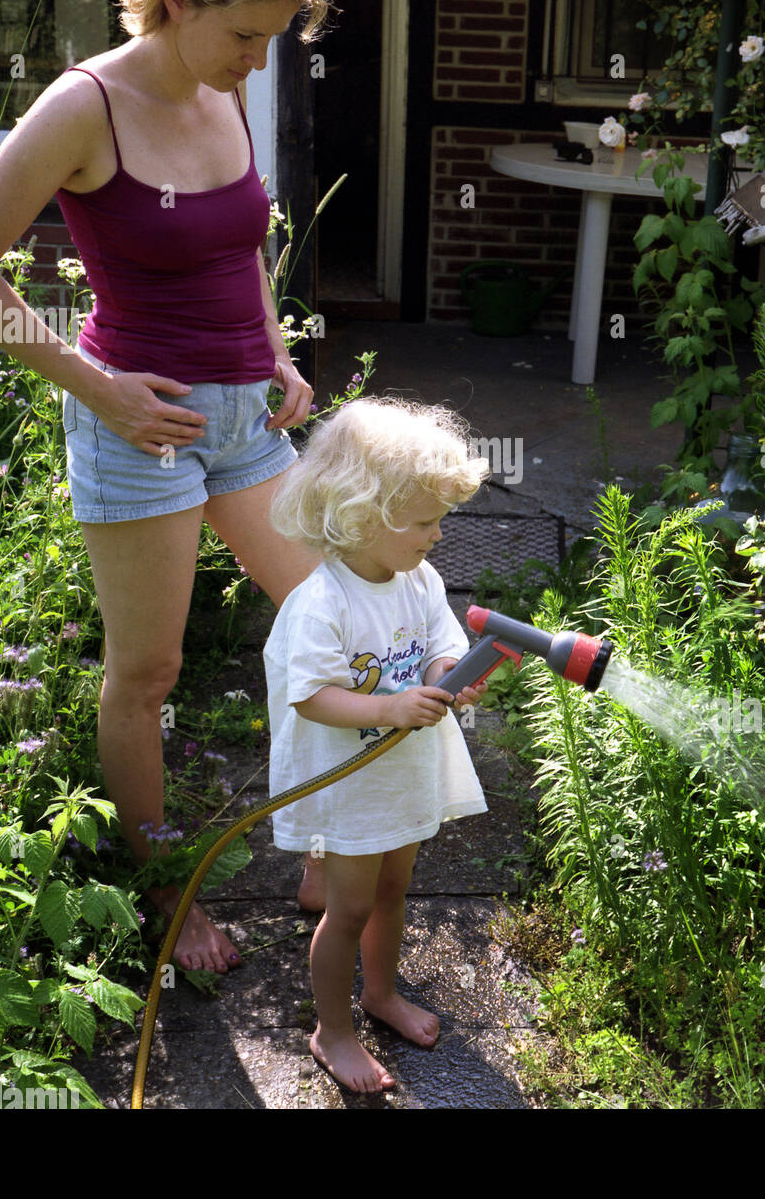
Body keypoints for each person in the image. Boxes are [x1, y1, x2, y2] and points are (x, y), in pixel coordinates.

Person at [0, 0, 333, 974]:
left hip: (245, 416)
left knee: (324, 614)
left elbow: (240, 243)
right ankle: (161, 891)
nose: (259, 62)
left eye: (272, 40)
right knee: (144, 674)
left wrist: (277, 353)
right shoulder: (84, 107)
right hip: (136, 424)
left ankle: (319, 841)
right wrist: (93, 385)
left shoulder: (227, 85)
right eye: (247, 36)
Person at [264, 397, 492, 1093]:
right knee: (350, 909)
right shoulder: (321, 601)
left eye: (439, 520)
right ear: (363, 514)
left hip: (400, 777)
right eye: (424, 521)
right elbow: (311, 695)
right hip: (349, 783)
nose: (437, 535)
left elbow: (439, 651)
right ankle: (331, 1030)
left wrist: (446, 682)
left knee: (394, 892)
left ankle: (381, 994)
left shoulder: (418, 581)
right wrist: (392, 705)